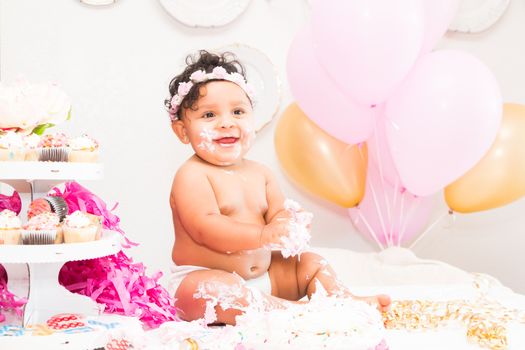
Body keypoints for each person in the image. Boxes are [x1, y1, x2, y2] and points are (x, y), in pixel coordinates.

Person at [166, 50, 391, 325]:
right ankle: (298, 313)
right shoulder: (192, 175)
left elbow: (278, 212)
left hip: (266, 277)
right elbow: (205, 228)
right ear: (182, 131)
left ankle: (342, 299)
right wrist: (263, 234)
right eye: (209, 114)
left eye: (238, 111)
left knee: (310, 262)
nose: (226, 122)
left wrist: (287, 227)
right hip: (206, 277)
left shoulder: (260, 173)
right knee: (211, 291)